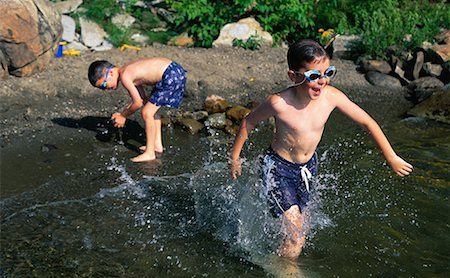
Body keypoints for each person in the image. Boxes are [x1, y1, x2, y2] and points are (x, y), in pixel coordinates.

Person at [229, 39, 413, 260]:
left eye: (328, 73)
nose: (322, 81)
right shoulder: (279, 103)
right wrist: (235, 156)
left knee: (301, 227)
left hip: (308, 168)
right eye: (314, 76)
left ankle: (278, 256)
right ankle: (286, 272)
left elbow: (368, 122)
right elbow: (248, 122)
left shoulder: (332, 97)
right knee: (296, 233)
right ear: (294, 76)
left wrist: (391, 157)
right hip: (277, 168)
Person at [88, 57, 187, 162]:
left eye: (103, 85)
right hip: (173, 71)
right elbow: (141, 98)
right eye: (101, 88)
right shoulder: (127, 69)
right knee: (151, 110)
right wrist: (141, 101)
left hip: (170, 75)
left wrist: (123, 116)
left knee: (147, 113)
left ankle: (149, 153)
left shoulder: (125, 76)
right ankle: (157, 146)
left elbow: (137, 103)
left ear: (111, 73)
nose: (105, 89)